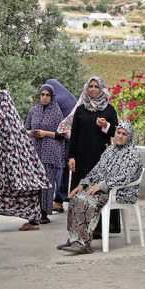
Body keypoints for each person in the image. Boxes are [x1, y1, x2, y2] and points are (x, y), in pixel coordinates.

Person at [57, 121, 142, 254]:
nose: (119, 136)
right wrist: (83, 184)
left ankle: (83, 243)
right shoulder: (110, 151)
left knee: (87, 200)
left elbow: (126, 177)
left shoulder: (132, 154)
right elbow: (97, 170)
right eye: (118, 132)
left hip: (121, 191)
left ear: (129, 137)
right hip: (106, 188)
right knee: (75, 197)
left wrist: (101, 186)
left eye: (124, 134)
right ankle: (75, 238)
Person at [0, 90, 49, 231]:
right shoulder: (15, 116)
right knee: (26, 191)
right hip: (22, 164)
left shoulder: (1, 117)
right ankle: (33, 221)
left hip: (5, 165)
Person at [64, 76, 121, 234]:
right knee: (80, 191)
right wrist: (71, 157)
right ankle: (79, 229)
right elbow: (74, 135)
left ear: (102, 89)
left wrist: (106, 125)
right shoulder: (81, 110)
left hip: (101, 158)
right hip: (82, 158)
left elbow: (118, 133)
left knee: (98, 192)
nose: (93, 89)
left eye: (96, 86)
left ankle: (100, 229)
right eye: (91, 86)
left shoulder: (109, 109)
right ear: (86, 89)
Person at [24, 83, 66, 224]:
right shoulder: (33, 111)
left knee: (47, 184)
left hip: (50, 153)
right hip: (35, 153)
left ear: (52, 97)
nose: (44, 97)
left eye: (47, 95)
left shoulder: (57, 113)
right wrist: (32, 133)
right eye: (42, 94)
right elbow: (25, 130)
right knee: (34, 184)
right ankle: (33, 213)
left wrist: (45, 133)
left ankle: (44, 214)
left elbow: (61, 134)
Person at [45, 79, 77, 213]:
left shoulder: (57, 99)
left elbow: (50, 117)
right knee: (66, 168)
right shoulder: (68, 96)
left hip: (69, 134)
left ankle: (59, 200)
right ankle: (59, 200)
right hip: (74, 134)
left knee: (62, 167)